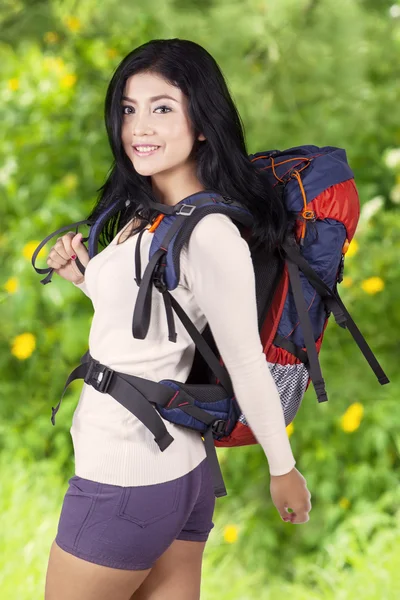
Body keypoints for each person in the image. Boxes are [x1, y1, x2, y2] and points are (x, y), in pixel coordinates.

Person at [44, 38, 311, 600]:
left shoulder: (209, 233)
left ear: (204, 122)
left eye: (162, 107)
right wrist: (88, 278)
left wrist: (282, 468)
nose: (140, 125)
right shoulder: (148, 212)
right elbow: (154, 325)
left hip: (126, 478)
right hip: (176, 469)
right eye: (129, 108)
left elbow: (243, 358)